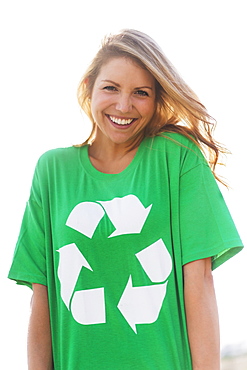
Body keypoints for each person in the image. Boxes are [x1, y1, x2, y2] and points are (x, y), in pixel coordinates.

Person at [8, 29, 243, 370]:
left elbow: (200, 280)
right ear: (89, 87)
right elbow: (41, 295)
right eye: (110, 88)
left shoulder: (176, 158)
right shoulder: (52, 171)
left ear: (156, 99)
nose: (123, 105)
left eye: (140, 93)